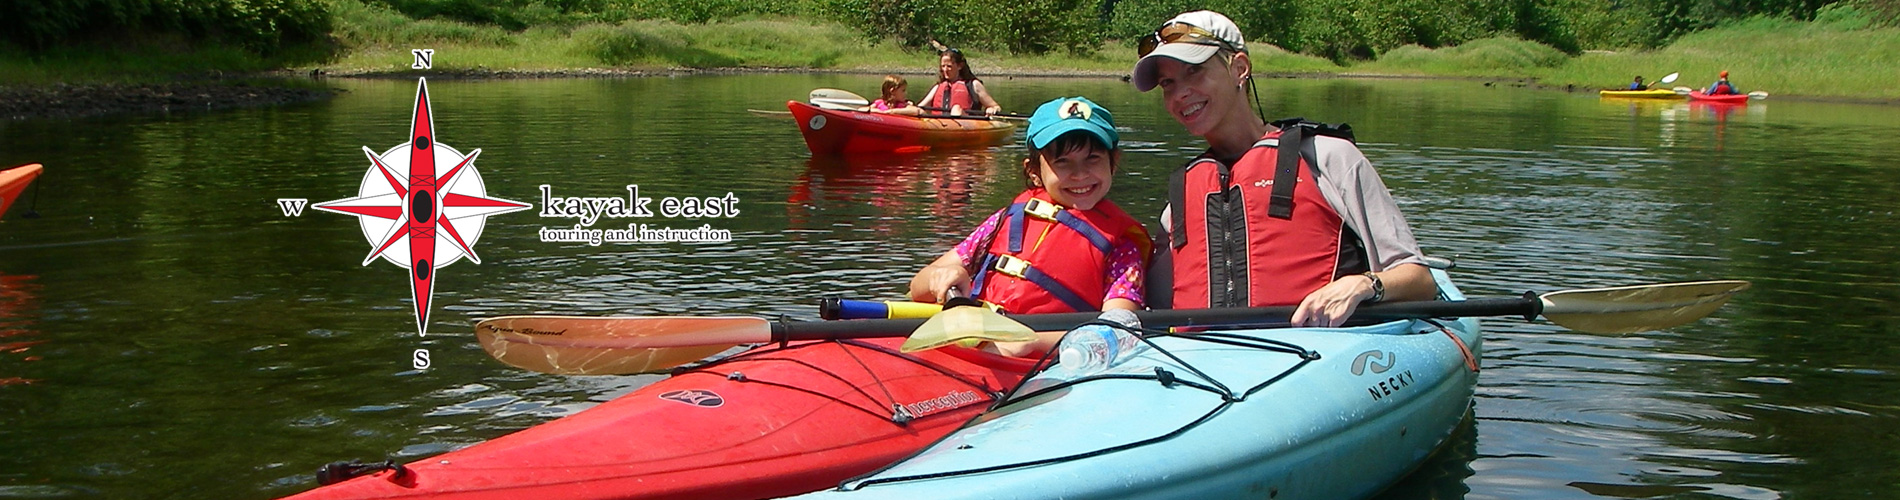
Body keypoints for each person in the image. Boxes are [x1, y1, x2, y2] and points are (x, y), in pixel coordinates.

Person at [1130, 10, 1436, 327]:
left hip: (1318, 358)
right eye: (1167, 83)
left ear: (1239, 69)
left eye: (1194, 72)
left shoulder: (1327, 158)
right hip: (1205, 364)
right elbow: (1152, 306)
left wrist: (1365, 285)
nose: (1180, 93)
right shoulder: (1180, 199)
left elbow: (1420, 280)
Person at [909, 96, 1151, 355]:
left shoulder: (1122, 247)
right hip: (973, 348)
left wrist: (1031, 342)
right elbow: (917, 288)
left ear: (1113, 161)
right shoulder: (1004, 220)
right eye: (1062, 162)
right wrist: (942, 278)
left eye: (1092, 158)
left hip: (1047, 365)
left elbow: (1116, 330)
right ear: (1034, 170)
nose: (1080, 174)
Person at [917, 48, 1003, 116]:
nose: (945, 70)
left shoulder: (973, 85)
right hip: (941, 125)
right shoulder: (938, 87)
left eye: (949, 66)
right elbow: (920, 108)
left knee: (956, 109)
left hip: (967, 124)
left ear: (960, 66)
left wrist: (992, 109)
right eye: (943, 66)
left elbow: (996, 107)